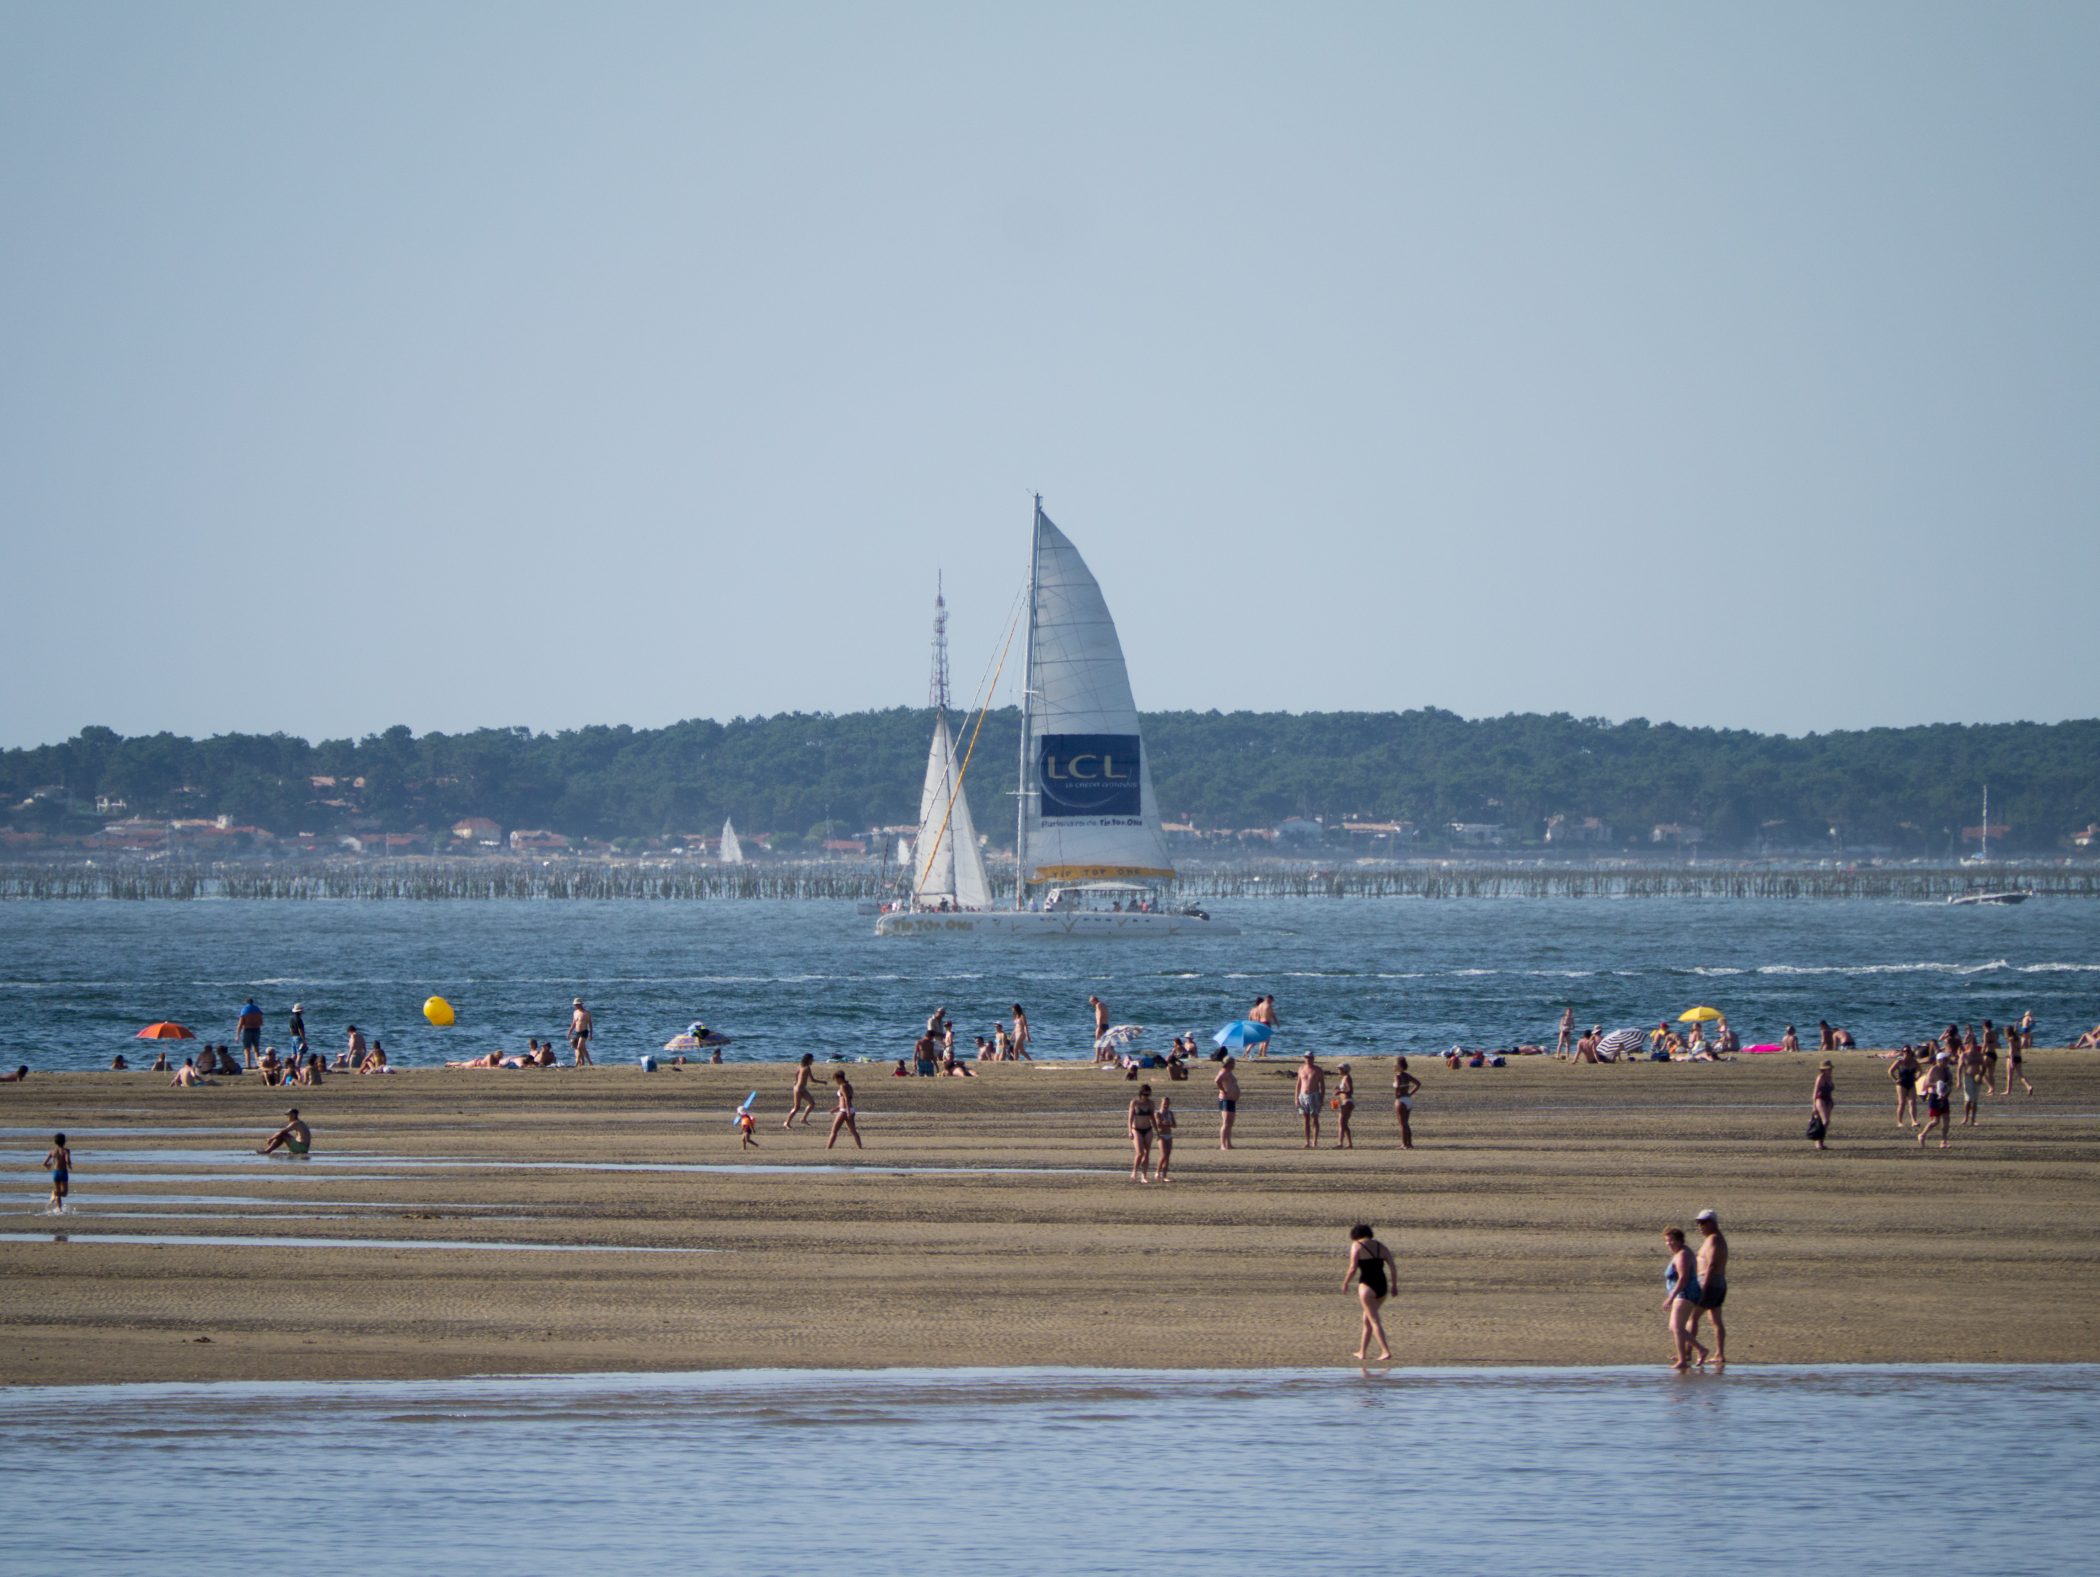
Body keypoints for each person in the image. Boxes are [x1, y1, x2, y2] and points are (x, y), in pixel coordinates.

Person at [1342, 1224, 1397, 1362]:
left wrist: (1346, 1282)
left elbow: (1353, 1267)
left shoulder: (1357, 1245)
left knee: (1374, 1321)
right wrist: (1394, 1285)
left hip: (1367, 1286)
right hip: (1382, 1287)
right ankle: (1362, 1352)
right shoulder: (1381, 1246)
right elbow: (1392, 1266)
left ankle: (1385, 1351)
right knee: (1367, 1320)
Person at [1686, 1210, 1728, 1369]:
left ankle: (1688, 1352)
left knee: (1693, 1317)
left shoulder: (1714, 1239)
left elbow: (1711, 1264)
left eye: (1703, 1222)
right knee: (1715, 1319)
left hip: (1710, 1283)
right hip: (1717, 1283)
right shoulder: (1713, 1239)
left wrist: (1703, 1287)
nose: (1700, 1226)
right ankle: (1719, 1354)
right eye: (1698, 1223)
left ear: (1713, 1223)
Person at [1661, 1227, 1707, 1370]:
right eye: (1667, 1241)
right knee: (1674, 1327)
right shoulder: (1682, 1253)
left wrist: (1671, 1297)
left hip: (1685, 1293)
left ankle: (1683, 1360)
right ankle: (1701, 1350)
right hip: (1684, 1293)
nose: (1669, 1244)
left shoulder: (1682, 1255)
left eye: (1672, 1240)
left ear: (1680, 1240)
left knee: (1676, 1327)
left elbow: (1683, 1277)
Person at [1919, 1055, 1954, 1148]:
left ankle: (1944, 1141)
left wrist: (1947, 1085)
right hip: (1934, 1096)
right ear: (1939, 1060)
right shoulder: (1933, 1069)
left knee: (1946, 1119)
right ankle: (1922, 1134)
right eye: (1944, 1060)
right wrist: (1938, 1084)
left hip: (1944, 1096)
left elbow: (1951, 1082)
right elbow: (1926, 1083)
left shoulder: (1947, 1070)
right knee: (1935, 1121)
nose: (1946, 1061)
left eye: (1947, 1060)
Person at [1294, 1052, 1327, 1148]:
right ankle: (1307, 1141)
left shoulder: (1318, 1070)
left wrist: (1322, 1098)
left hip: (1314, 1095)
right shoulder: (1301, 1069)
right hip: (1303, 1095)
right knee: (1306, 1119)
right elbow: (1298, 1084)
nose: (1308, 1059)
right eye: (1306, 1057)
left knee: (1315, 1118)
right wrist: (1296, 1098)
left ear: (1313, 1058)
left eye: (1310, 1057)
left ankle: (1315, 1142)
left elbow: (1322, 1085)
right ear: (1304, 1058)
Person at [1127, 1083, 1156, 1182]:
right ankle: (1134, 1171)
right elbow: (1130, 1117)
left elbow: (1152, 1117)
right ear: (1141, 1093)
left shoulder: (1151, 1103)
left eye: (1148, 1095)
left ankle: (1144, 1176)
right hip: (1136, 1129)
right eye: (1145, 1095)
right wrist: (1130, 1130)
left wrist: (1157, 1130)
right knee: (1140, 1152)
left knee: (1147, 1153)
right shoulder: (1134, 1102)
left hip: (1148, 1128)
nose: (1146, 1097)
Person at [827, 1070, 861, 1149]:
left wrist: (847, 1111)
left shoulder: (842, 1086)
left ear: (839, 1078)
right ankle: (860, 1147)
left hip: (844, 1111)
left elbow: (846, 1099)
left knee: (834, 1131)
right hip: (850, 1109)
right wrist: (836, 1109)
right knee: (853, 1131)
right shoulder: (849, 1085)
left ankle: (828, 1148)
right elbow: (845, 1100)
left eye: (835, 1079)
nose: (835, 1081)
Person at [1393, 1056, 1421, 1148]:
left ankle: (1404, 1144)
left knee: (1402, 1124)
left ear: (1399, 1066)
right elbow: (1417, 1084)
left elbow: (1397, 1086)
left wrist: (1397, 1095)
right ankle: (1409, 1143)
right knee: (1406, 1123)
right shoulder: (1407, 1075)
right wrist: (1410, 1093)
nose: (1394, 1066)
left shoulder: (1397, 1076)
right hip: (1408, 1100)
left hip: (1401, 1100)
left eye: (1395, 1065)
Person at [1889, 1046, 1920, 1129]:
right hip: (1901, 1084)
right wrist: (1895, 1080)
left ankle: (1914, 1121)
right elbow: (1890, 1071)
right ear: (1903, 1052)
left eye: (1908, 1051)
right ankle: (1900, 1122)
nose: (1906, 1053)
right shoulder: (1900, 1060)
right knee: (1902, 1103)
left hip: (1911, 1083)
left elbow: (1920, 1070)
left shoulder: (1914, 1061)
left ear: (1911, 1052)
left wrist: (1917, 1077)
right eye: (1905, 1051)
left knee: (1912, 1102)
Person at [785, 1053, 818, 1127]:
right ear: (808, 1060)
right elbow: (812, 1080)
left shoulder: (800, 1066)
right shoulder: (807, 1068)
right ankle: (786, 1122)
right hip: (799, 1089)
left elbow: (796, 1074)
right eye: (812, 1060)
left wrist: (796, 1080)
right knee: (797, 1107)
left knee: (812, 1103)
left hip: (802, 1089)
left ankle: (803, 1119)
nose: (812, 1061)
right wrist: (822, 1082)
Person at [1215, 1056, 1240, 1149]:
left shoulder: (1229, 1072)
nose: (1234, 1065)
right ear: (1228, 1063)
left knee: (1230, 1123)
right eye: (1233, 1063)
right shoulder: (1223, 1071)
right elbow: (1217, 1080)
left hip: (1231, 1100)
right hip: (1226, 1099)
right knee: (1226, 1123)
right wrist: (1223, 1090)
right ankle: (1222, 1145)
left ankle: (1228, 1144)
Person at [2004, 1022, 2035, 1096]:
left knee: (2010, 1076)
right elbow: (2016, 1032)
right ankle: (2028, 1086)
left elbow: (2011, 1050)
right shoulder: (2017, 1038)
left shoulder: (2010, 1039)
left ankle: (2008, 1091)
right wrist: (2016, 1026)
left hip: (2012, 1057)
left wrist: (2011, 1061)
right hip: (2018, 1057)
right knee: (2021, 1075)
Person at [1809, 1061, 1835, 1150]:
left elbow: (1830, 1091)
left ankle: (1821, 1141)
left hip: (1828, 1100)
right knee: (1825, 1121)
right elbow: (1815, 1092)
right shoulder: (1820, 1078)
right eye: (1828, 1069)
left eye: (1830, 1069)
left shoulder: (1830, 1077)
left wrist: (1831, 1101)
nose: (1830, 1070)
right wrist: (1814, 1107)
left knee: (1827, 1122)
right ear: (1824, 1069)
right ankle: (1818, 1141)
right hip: (1820, 1099)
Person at [43, 1132, 70, 1214]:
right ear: (64, 1141)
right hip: (63, 1172)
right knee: (64, 1193)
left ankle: (59, 1209)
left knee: (58, 1191)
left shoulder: (52, 1151)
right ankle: (54, 1194)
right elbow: (67, 1160)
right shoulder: (66, 1151)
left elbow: (44, 1163)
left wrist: (48, 1166)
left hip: (55, 1173)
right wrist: (69, 1164)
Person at [1153, 1094, 1177, 1182]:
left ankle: (1165, 1175)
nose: (1166, 1105)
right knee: (1163, 1154)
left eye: (1167, 1103)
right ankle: (1157, 1171)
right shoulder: (1158, 1113)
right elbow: (1158, 1125)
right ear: (1161, 1103)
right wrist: (1165, 1123)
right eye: (1164, 1103)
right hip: (1161, 1135)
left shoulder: (1170, 1113)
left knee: (1167, 1155)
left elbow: (1174, 1125)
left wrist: (1169, 1124)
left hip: (1169, 1135)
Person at [237, 997, 265, 1067]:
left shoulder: (245, 1009)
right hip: (256, 1029)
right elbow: (261, 1022)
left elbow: (240, 1023)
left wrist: (237, 1035)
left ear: (246, 1002)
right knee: (256, 1049)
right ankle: (259, 1065)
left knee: (247, 1049)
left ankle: (248, 1065)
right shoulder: (257, 1009)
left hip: (247, 1030)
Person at [1249, 994, 1279, 1058]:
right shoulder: (1268, 1006)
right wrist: (1277, 1023)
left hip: (1260, 1022)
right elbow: (1273, 1015)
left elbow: (1258, 1015)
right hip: (1266, 1022)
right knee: (1267, 1039)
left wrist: (1257, 1022)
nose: (1272, 1002)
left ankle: (1260, 1053)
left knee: (1262, 1039)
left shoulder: (1260, 1005)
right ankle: (1264, 1054)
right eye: (1272, 1000)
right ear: (1269, 999)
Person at [1333, 1063, 1355, 1149]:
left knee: (1341, 1122)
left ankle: (1340, 1143)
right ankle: (1349, 1144)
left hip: (1347, 1101)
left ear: (1344, 1070)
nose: (1338, 1071)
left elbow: (1350, 1091)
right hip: (1345, 1102)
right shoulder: (1344, 1078)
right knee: (1343, 1123)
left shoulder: (1347, 1078)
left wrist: (1340, 1092)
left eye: (1340, 1069)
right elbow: (1346, 1089)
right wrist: (1339, 1088)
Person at [569, 998, 594, 1066]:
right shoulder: (575, 1012)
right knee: (582, 1048)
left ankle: (579, 1062)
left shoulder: (586, 1013)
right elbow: (574, 1023)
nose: (576, 1006)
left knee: (579, 1047)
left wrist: (591, 1034)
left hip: (584, 1032)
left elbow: (590, 1024)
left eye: (577, 1004)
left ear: (580, 1004)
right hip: (577, 1032)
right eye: (575, 1005)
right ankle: (589, 1062)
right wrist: (570, 1031)